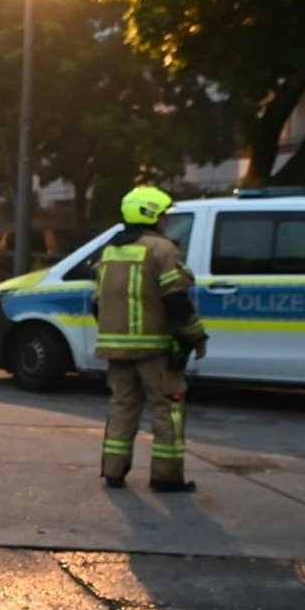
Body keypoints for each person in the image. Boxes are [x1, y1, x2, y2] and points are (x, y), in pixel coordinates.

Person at [94, 186, 209, 492]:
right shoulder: (162, 250)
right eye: (163, 216)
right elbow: (176, 302)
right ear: (151, 215)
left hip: (116, 349)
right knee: (167, 408)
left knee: (122, 406)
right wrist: (195, 337)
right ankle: (166, 477)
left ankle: (114, 472)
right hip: (154, 349)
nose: (166, 223)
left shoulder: (110, 251)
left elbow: (98, 302)